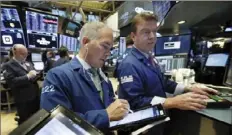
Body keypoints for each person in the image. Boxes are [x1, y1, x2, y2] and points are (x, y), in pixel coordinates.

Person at [40, 22, 129, 133]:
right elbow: (57, 123)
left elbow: (110, 107)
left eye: (110, 48)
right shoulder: (57, 76)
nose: (108, 53)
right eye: (105, 46)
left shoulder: (103, 78)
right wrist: (105, 116)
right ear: (86, 42)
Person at [3, 44, 40, 125]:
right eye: (22, 53)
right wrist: (27, 76)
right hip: (23, 99)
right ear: (15, 53)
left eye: (26, 53)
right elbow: (12, 82)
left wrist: (36, 75)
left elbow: (33, 76)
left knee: (37, 119)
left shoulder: (28, 63)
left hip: (35, 96)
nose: (25, 55)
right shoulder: (8, 65)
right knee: (25, 122)